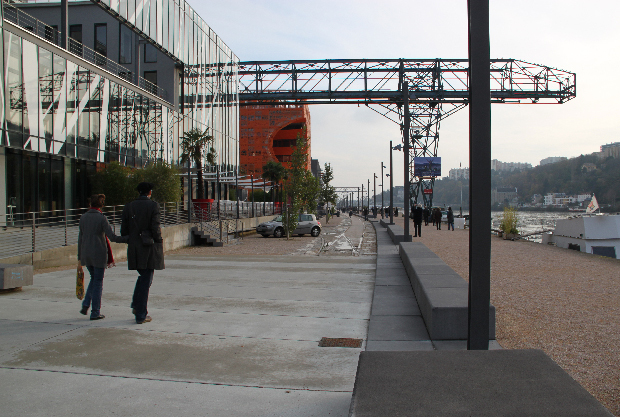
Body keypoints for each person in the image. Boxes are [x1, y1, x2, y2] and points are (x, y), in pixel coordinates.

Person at [78, 194, 128, 320]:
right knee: (98, 282)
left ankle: (85, 304)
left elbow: (80, 238)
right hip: (98, 254)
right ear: (101, 205)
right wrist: (127, 239)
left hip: (86, 253)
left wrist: (79, 257)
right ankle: (95, 312)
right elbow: (112, 237)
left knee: (94, 278)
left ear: (90, 204)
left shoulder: (83, 217)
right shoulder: (102, 218)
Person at [121, 182, 165, 324]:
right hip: (148, 246)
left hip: (134, 246)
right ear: (149, 192)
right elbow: (155, 226)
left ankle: (136, 305)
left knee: (143, 277)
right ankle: (140, 313)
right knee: (146, 279)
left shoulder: (129, 206)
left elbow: (123, 230)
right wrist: (159, 241)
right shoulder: (153, 206)